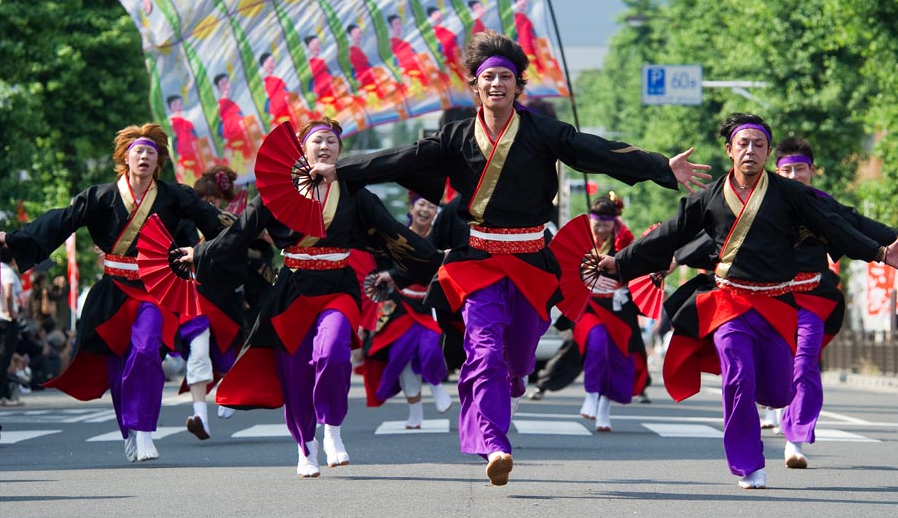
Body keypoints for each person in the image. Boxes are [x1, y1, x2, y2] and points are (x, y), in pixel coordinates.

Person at [311, 30, 711, 485]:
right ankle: (495, 445)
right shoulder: (455, 136)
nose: (496, 84)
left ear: (519, 86)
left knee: (517, 360)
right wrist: (337, 169)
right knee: (483, 350)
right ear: (475, 86)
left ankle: (515, 384)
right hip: (477, 260)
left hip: (531, 261)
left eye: (505, 76)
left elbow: (595, 151)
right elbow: (400, 158)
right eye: (488, 77)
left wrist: (662, 165)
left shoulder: (544, 132)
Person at [595, 113, 898, 490]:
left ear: (768, 152)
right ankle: (748, 465)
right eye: (743, 144)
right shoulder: (709, 197)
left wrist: (881, 251)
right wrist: (620, 262)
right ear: (729, 150)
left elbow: (837, 225)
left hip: (776, 305)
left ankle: (784, 414)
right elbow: (671, 235)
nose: (750, 151)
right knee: (738, 376)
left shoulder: (792, 196)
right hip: (728, 303)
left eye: (758, 144)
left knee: (778, 389)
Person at [182, 118, 441, 478]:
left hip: (338, 285)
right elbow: (240, 233)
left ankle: (332, 430)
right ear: (302, 149)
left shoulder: (354, 192)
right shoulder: (276, 193)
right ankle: (305, 446)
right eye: (317, 141)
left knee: (334, 352)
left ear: (339, 151)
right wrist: (200, 253)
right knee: (295, 377)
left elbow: (392, 231)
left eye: (331, 142)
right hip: (291, 290)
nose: (324, 147)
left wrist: (434, 261)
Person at [0, 124, 229, 462]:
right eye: (139, 150)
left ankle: (146, 430)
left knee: (147, 348)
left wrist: (243, 230)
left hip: (152, 290)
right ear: (125, 156)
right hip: (113, 292)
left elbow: (210, 219)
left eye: (151, 151)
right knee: (119, 371)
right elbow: (61, 220)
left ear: (159, 159)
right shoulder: (100, 196)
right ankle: (130, 430)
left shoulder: (173, 195)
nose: (145, 155)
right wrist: (18, 239)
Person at [772, 136, 897, 469]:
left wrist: (892, 240)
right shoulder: (759, 206)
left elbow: (859, 225)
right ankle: (777, 408)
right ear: (776, 172)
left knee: (805, 363)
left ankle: (794, 439)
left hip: (813, 297)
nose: (793, 175)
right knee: (772, 366)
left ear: (812, 171)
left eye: (800, 168)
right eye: (786, 169)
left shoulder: (825, 205)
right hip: (768, 299)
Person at [361, 192, 452, 429]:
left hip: (429, 305)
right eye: (421, 204)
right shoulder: (395, 236)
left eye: (431, 206)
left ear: (436, 213)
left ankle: (436, 385)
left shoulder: (441, 238)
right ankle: (415, 412)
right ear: (411, 209)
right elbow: (380, 267)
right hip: (400, 306)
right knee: (401, 357)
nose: (425, 210)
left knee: (430, 348)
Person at [176, 165, 247, 440]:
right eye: (205, 199)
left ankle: (229, 393)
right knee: (198, 350)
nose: (211, 204)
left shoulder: (230, 224)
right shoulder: (181, 223)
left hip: (224, 297)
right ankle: (200, 416)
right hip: (192, 298)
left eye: (216, 199)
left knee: (229, 354)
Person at [571, 194, 650, 432]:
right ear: (591, 220)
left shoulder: (624, 241)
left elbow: (637, 270)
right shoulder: (581, 240)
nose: (602, 228)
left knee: (617, 359)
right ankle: (592, 394)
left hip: (617, 308)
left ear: (614, 222)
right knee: (596, 342)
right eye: (598, 223)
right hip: (589, 307)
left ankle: (605, 407)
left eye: (607, 223)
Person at [0, 257, 23, 406]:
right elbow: (8, 292)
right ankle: (1, 395)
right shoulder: (6, 271)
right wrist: (10, 311)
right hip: (5, 320)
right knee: (3, 360)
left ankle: (4, 392)